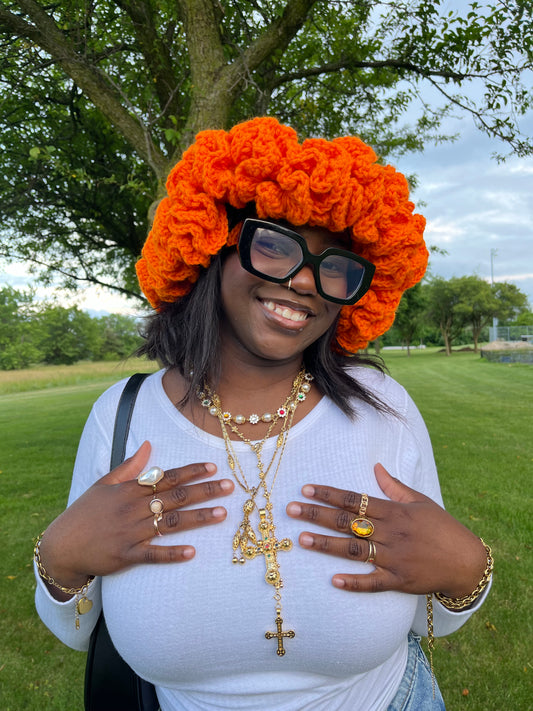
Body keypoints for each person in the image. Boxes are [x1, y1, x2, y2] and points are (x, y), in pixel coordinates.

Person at [34, 117, 493, 710]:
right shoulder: (120, 417)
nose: (306, 281)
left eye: (336, 267)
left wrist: (468, 574)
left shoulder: (386, 410)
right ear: (213, 248)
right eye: (274, 244)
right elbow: (75, 632)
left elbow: (436, 609)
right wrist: (60, 560)